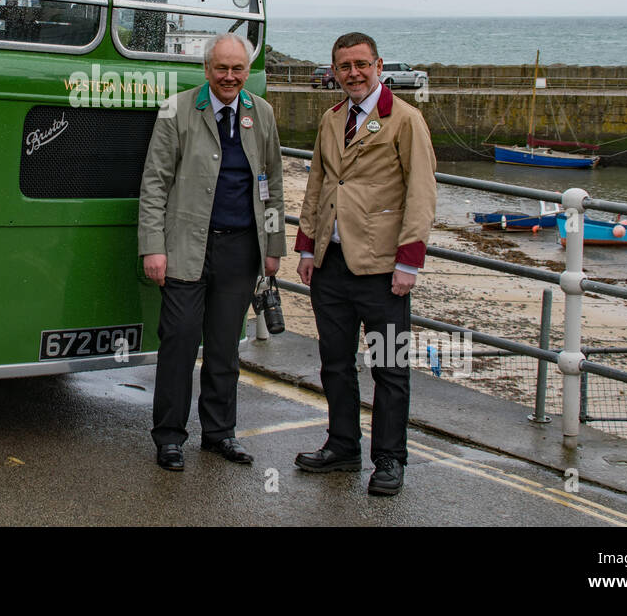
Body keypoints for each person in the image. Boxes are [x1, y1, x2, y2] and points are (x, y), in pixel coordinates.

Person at [293, 32, 436, 495]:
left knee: (390, 368)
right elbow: (317, 182)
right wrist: (307, 247)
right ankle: (343, 446)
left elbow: (421, 193)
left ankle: (390, 459)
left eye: (361, 64)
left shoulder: (406, 120)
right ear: (334, 72)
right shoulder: (332, 119)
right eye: (343, 66)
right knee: (334, 364)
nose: (353, 73)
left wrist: (409, 262)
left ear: (378, 66)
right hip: (331, 266)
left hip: (381, 268)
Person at [139, 33, 285, 471]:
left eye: (238, 69)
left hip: (240, 250)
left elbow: (273, 186)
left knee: (224, 349)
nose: (229, 76)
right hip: (185, 247)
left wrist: (273, 247)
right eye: (221, 68)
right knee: (179, 343)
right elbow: (153, 183)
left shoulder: (262, 114)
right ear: (206, 70)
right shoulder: (177, 109)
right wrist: (153, 247)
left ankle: (220, 434)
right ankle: (169, 438)